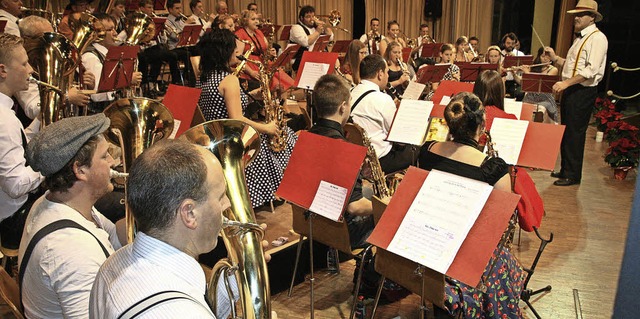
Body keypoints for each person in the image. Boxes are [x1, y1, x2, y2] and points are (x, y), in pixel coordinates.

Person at [89, 139, 230, 318]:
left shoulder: (112, 264)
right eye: (221, 196)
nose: (228, 204)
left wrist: (229, 287)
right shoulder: (182, 313)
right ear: (190, 213)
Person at [417, 91, 523, 318]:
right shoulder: (493, 167)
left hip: (426, 240)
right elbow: (501, 225)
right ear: (482, 126)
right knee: (505, 262)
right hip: (465, 255)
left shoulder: (426, 151)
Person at [19, 114, 124, 318]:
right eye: (104, 156)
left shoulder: (57, 201)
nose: (113, 162)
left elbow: (115, 237)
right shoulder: (73, 250)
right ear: (80, 170)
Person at [197, 29, 297, 209]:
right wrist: (265, 128)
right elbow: (236, 119)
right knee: (286, 135)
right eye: (235, 50)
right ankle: (282, 188)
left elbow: (221, 105)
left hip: (214, 138)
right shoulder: (229, 80)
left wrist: (251, 95)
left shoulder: (204, 79)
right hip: (233, 141)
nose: (238, 53)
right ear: (224, 52)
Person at [545, 0, 608, 186]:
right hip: (572, 89)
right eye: (575, 15)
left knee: (575, 133)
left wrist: (565, 83)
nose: (576, 18)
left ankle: (572, 175)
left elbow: (590, 71)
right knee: (567, 130)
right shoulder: (579, 38)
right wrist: (555, 57)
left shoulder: (598, 38)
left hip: (582, 91)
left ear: (592, 18)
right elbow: (571, 66)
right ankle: (566, 169)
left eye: (581, 15)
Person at [309, 74, 374, 248]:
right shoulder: (342, 148)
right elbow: (355, 207)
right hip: (341, 233)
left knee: (371, 191)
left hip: (311, 224)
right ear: (343, 107)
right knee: (389, 214)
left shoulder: (305, 137)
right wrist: (389, 208)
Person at [0, 33, 44, 251]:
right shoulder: (5, 120)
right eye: (25, 64)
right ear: (3, 70)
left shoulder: (5, 115)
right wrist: (47, 164)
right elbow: (16, 185)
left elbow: (14, 145)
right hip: (13, 220)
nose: (31, 70)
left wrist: (40, 120)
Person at [351, 54, 419, 174]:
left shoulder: (350, 92)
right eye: (387, 72)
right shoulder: (382, 99)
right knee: (418, 147)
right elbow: (399, 138)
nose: (387, 76)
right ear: (380, 73)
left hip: (356, 157)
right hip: (378, 161)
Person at [82, 13, 142, 112]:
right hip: (100, 114)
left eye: (114, 28)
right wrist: (127, 80)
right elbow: (97, 95)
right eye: (110, 30)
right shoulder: (90, 56)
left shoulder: (112, 53)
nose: (115, 33)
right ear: (97, 34)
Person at [136, 0, 181, 98]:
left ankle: (175, 83)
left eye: (152, 8)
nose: (151, 10)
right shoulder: (137, 20)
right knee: (155, 55)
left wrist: (161, 32)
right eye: (148, 7)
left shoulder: (153, 20)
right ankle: (147, 86)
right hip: (141, 49)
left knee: (171, 55)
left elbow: (163, 40)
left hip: (153, 47)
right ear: (141, 8)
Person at [518, 46, 559, 123]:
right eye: (543, 56)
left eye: (548, 56)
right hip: (531, 96)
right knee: (524, 110)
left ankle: (537, 128)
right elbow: (522, 82)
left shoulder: (553, 69)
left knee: (541, 110)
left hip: (545, 98)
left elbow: (542, 82)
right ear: (539, 56)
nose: (545, 59)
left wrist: (527, 73)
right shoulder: (533, 67)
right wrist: (514, 74)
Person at [289, 5, 334, 72]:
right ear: (301, 18)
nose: (311, 19)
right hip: (300, 60)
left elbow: (330, 38)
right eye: (308, 17)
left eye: (313, 16)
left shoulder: (316, 26)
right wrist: (318, 31)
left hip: (317, 58)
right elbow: (306, 42)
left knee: (334, 61)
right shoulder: (296, 28)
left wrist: (325, 27)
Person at [501, 32, 524, 97]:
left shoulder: (520, 54)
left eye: (512, 43)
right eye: (508, 43)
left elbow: (523, 71)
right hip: (502, 81)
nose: (510, 45)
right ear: (504, 43)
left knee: (520, 93)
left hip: (515, 82)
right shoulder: (499, 54)